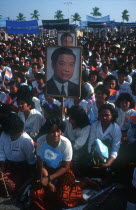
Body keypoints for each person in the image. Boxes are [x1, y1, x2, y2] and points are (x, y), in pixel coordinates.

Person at [30, 117, 85, 209]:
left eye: (58, 131)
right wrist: (47, 180)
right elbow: (41, 163)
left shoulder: (66, 143)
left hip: (62, 171)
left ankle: (83, 183)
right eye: (52, 131)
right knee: (37, 194)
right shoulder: (41, 141)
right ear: (47, 131)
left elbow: (65, 167)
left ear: (61, 131)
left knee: (64, 198)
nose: (56, 134)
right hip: (46, 170)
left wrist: (49, 179)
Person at [0, 113, 36, 197]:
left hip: (21, 168)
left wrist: (30, 176)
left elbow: (31, 161)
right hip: (6, 164)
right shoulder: (5, 134)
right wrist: (1, 162)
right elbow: (1, 149)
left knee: (9, 187)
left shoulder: (25, 140)